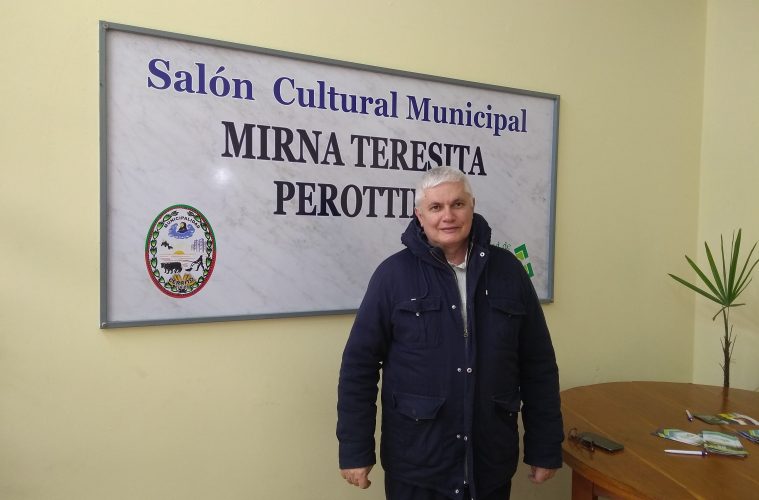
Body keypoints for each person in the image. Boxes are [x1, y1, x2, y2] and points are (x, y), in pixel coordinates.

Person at [337, 166, 563, 500]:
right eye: (436, 207)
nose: (448, 216)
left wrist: (545, 446)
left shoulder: (509, 272)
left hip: (490, 462)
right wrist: (355, 450)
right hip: (417, 465)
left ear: (472, 206)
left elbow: (538, 365)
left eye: (457, 204)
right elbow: (359, 366)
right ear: (420, 215)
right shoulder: (392, 276)